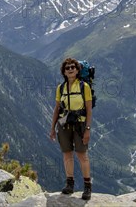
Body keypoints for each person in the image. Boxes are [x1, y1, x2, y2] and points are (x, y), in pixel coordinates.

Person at [49, 57, 93, 200]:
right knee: (67, 154)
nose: (70, 69)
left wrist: (87, 129)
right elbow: (57, 109)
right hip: (64, 124)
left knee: (82, 155)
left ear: (77, 69)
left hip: (80, 125)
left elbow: (89, 109)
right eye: (67, 68)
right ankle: (70, 184)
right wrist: (52, 128)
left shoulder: (83, 87)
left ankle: (87, 187)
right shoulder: (60, 88)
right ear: (64, 71)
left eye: (72, 67)